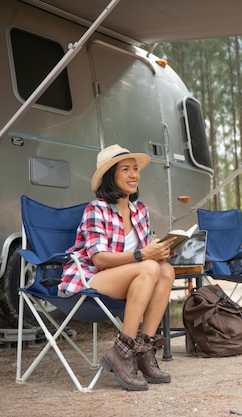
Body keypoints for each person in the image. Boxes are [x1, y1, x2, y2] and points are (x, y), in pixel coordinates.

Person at [59, 144, 176, 391]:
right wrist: (144, 254)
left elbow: (146, 254)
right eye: (126, 169)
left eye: (135, 169)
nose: (134, 174)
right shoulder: (96, 209)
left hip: (132, 279)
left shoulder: (140, 210)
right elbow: (99, 259)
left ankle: (144, 350)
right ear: (110, 175)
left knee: (165, 269)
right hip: (91, 278)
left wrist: (161, 251)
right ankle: (121, 352)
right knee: (150, 268)